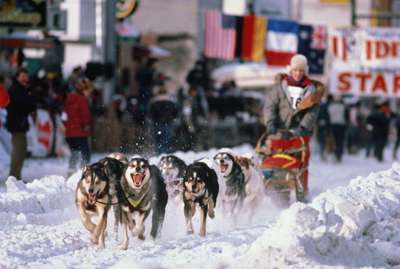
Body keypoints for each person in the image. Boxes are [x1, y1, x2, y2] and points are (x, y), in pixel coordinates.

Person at [263, 54, 324, 197]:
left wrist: (303, 127)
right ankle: (278, 188)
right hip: (279, 130)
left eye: (301, 71)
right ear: (290, 70)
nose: (298, 74)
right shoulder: (279, 87)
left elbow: (313, 111)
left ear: (305, 72)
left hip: (300, 133)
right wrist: (270, 122)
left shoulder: (311, 90)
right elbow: (269, 107)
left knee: (300, 162)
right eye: (295, 70)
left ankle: (302, 191)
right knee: (276, 159)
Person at [6, 68, 37, 180]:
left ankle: (16, 177)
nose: (25, 78)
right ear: (17, 77)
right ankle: (13, 177)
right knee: (18, 152)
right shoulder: (15, 89)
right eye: (22, 76)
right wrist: (30, 100)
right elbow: (24, 105)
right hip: (16, 125)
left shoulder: (22, 89)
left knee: (21, 152)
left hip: (20, 124)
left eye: (26, 76)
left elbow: (29, 105)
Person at [63, 77, 92, 176]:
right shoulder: (82, 99)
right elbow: (85, 115)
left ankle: (71, 172)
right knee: (86, 153)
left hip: (70, 132)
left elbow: (65, 115)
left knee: (74, 152)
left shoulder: (69, 98)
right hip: (80, 131)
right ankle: (83, 172)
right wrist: (86, 125)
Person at [149, 86, 178, 153]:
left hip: (157, 122)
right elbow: (175, 112)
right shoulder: (171, 101)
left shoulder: (154, 101)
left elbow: (151, 113)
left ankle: (159, 152)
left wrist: (154, 120)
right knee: (167, 138)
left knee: (158, 139)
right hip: (168, 122)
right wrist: (172, 118)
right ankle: (166, 152)